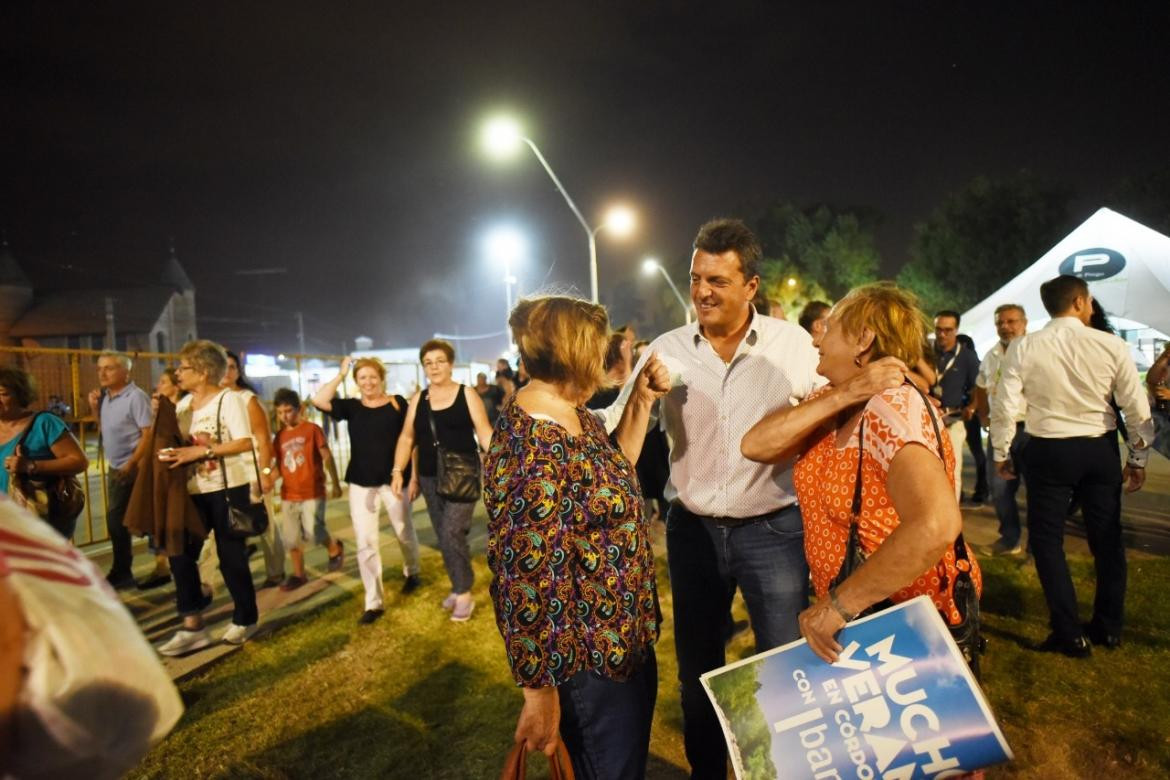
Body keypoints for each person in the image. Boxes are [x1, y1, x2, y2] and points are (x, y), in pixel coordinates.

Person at [605, 218, 822, 779]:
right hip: (693, 530)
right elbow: (614, 422)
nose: (702, 291)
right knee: (698, 667)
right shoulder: (667, 349)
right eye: (697, 277)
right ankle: (709, 771)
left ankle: (786, 770)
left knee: (783, 661)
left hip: (774, 528)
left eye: (718, 281)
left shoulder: (792, 346)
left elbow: (828, 411)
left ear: (751, 286)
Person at [742, 282, 977, 665]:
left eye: (830, 327)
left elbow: (935, 523)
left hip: (900, 624)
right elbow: (755, 446)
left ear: (863, 339)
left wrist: (837, 607)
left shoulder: (892, 407)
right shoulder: (835, 398)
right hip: (861, 617)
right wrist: (845, 394)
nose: (817, 338)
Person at [484, 295, 670, 778]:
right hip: (586, 665)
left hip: (620, 644)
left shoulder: (573, 414)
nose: (613, 357)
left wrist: (642, 400)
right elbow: (521, 578)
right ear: (575, 353)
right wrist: (538, 691)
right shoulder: (533, 443)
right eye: (602, 347)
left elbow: (612, 474)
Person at [991, 275, 1153, 657]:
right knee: (1107, 539)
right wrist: (1138, 457)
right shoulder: (1110, 343)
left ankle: (1069, 632)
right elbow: (1136, 406)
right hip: (1098, 448)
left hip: (1049, 449)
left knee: (1047, 541)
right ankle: (1108, 627)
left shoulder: (1024, 346)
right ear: (1080, 302)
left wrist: (1002, 452)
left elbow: (1005, 404)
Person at [156, 340, 262, 654]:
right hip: (191, 492)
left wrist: (202, 451)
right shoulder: (183, 405)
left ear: (202, 372)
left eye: (184, 367)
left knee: (231, 559)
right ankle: (193, 624)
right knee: (180, 554)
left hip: (227, 488)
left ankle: (246, 618)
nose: (178, 372)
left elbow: (245, 442)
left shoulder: (228, 400)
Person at [390, 340, 493, 622]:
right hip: (429, 476)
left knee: (451, 532)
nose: (434, 367)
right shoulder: (418, 400)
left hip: (462, 474)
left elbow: (484, 433)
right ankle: (458, 584)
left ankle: (463, 593)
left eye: (440, 361)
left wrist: (502, 463)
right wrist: (399, 471)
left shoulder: (466, 394)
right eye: (428, 362)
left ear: (450, 364)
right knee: (443, 536)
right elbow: (407, 437)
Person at [313, 357, 422, 624]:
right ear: (356, 382)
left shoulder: (398, 403)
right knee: (365, 541)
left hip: (395, 480)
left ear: (382, 378)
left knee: (403, 530)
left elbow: (413, 441)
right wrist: (341, 374)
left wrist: (415, 477)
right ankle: (373, 602)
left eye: (373, 377)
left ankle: (413, 571)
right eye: (362, 378)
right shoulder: (351, 407)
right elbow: (319, 401)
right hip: (361, 482)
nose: (368, 382)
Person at [86, 352, 153, 587]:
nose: (102, 373)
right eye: (100, 369)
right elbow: (104, 428)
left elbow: (148, 433)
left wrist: (132, 463)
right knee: (120, 520)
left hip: (135, 467)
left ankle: (131, 569)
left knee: (131, 519)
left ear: (126, 372)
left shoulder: (136, 397)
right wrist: (94, 408)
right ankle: (123, 570)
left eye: (109, 368)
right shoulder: (107, 397)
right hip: (117, 467)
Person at [0, 367, 88, 539]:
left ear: (20, 395)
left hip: (34, 517)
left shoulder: (44, 423)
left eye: (3, 393)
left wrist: (30, 466)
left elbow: (79, 461)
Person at [272, 388, 344, 590]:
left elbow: (326, 456)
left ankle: (334, 547)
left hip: (313, 490)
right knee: (291, 537)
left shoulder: (312, 430)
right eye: (279, 412)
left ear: (300, 409)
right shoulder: (279, 438)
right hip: (289, 494)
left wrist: (335, 483)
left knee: (313, 531)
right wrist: (267, 478)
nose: (284, 416)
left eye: (288, 411)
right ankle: (298, 574)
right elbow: (279, 466)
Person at [973, 304, 1028, 556]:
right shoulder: (991, 354)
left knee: (1038, 492)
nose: (1005, 327)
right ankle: (1010, 538)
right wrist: (983, 415)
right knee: (998, 487)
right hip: (998, 429)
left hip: (1029, 429)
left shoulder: (1035, 351)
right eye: (1000, 323)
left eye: (1011, 321)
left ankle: (1037, 550)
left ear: (1024, 322)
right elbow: (980, 386)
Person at [931, 310, 981, 501]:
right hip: (927, 421)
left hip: (953, 420)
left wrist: (973, 406)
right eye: (938, 330)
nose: (942, 334)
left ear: (956, 330)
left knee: (952, 469)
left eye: (948, 330)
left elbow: (979, 385)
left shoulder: (967, 357)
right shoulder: (926, 353)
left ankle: (952, 522)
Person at [585, 332, 632, 409]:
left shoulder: (611, 387)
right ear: (619, 361)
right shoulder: (600, 391)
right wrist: (627, 363)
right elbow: (627, 404)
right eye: (628, 352)